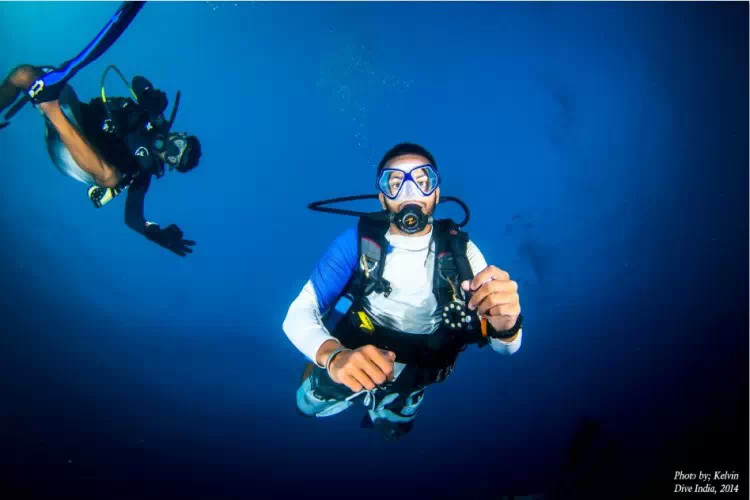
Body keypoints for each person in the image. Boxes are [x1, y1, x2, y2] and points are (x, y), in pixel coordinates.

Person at [283, 143, 524, 440]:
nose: (410, 192)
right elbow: (300, 310)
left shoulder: (462, 251)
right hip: (354, 347)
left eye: (423, 180)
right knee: (305, 405)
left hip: (421, 364)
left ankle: (401, 399)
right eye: (395, 183)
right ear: (382, 197)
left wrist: (507, 325)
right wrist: (332, 356)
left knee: (394, 431)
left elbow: (507, 348)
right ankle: (331, 383)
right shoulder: (356, 242)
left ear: (436, 193)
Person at [0, 2, 200, 256]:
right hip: (75, 116)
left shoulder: (143, 172)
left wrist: (155, 233)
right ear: (179, 134)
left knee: (112, 178)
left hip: (71, 156)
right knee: (24, 74)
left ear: (170, 165)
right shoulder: (150, 114)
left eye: (174, 157)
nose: (170, 149)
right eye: (178, 144)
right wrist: (148, 95)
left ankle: (49, 108)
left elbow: (133, 218)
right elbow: (138, 81)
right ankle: (44, 104)